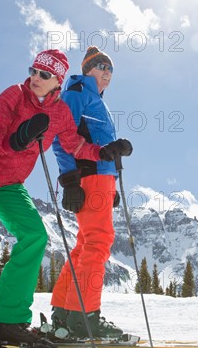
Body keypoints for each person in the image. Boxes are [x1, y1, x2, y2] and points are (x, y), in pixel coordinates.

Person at [0, 49, 132, 348]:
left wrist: (103, 152)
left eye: (44, 74)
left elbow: (74, 144)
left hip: (12, 183)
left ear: (57, 80)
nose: (35, 78)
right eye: (33, 70)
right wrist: (16, 139)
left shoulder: (60, 112)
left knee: (35, 236)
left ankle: (7, 320)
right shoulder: (14, 95)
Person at [49, 46, 133, 340]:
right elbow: (61, 138)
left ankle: (64, 312)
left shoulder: (96, 99)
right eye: (100, 65)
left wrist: (112, 186)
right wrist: (70, 180)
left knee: (85, 245)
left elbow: (98, 144)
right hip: (89, 176)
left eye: (110, 67)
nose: (107, 71)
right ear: (87, 69)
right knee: (98, 243)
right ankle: (84, 318)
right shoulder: (78, 92)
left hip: (101, 179)